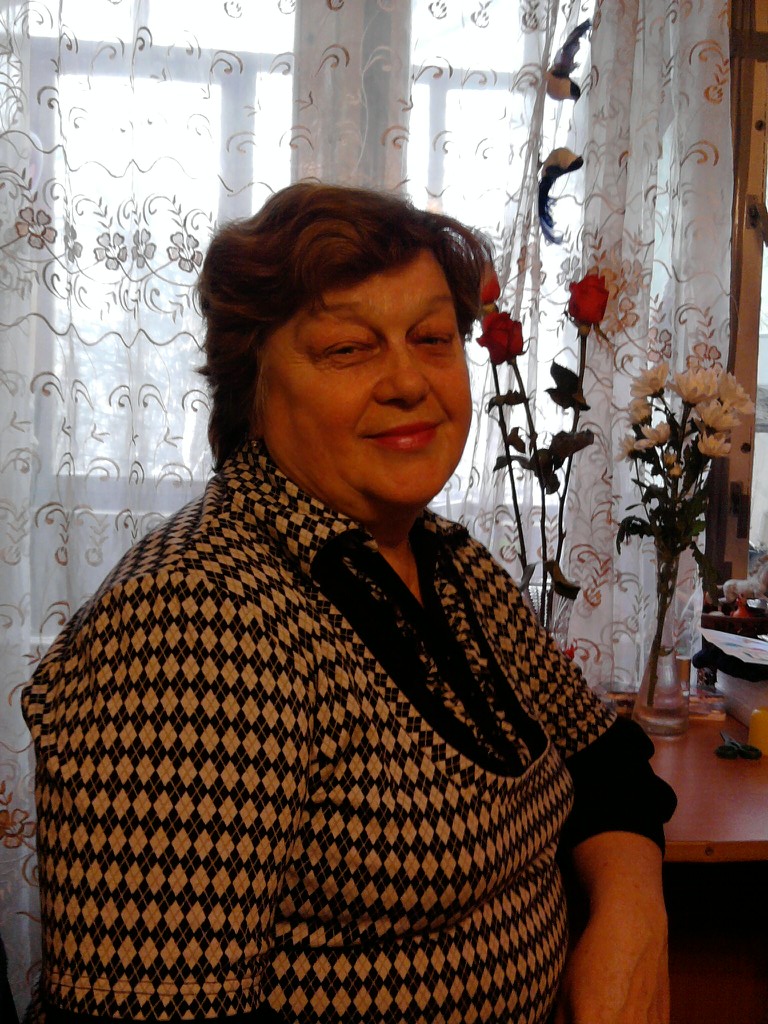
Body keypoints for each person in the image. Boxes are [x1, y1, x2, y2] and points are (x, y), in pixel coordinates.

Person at [22, 183, 676, 1024]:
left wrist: (631, 918)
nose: (408, 381)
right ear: (253, 385)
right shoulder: (196, 621)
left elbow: (606, 761)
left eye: (432, 339)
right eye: (347, 349)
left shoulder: (448, 562)